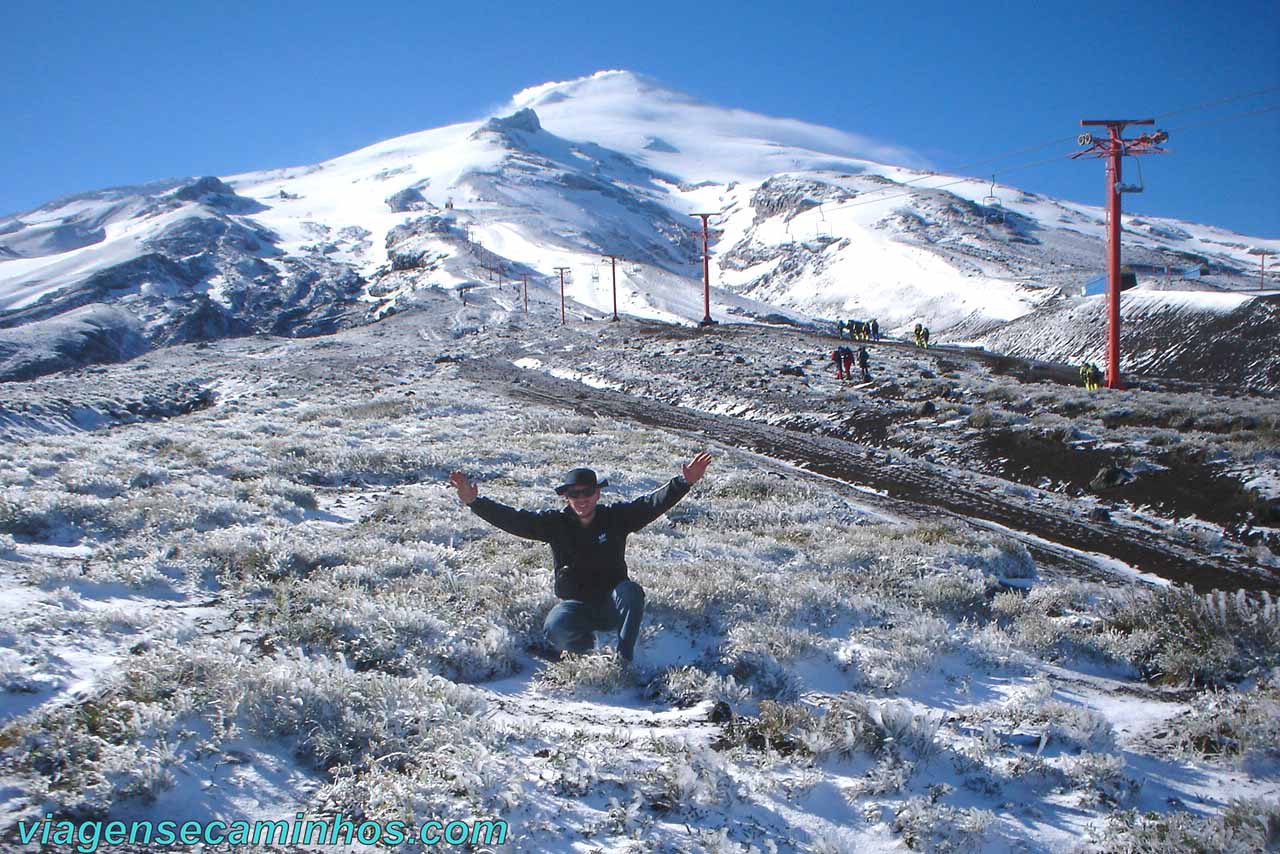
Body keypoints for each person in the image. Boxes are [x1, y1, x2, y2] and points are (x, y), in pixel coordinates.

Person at [448, 453, 712, 663]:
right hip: (577, 606)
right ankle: (581, 652)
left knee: (632, 592)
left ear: (597, 493)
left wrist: (683, 482)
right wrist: (475, 503)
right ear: (566, 497)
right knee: (555, 626)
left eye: (587, 492)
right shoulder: (554, 524)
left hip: (613, 605)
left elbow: (651, 504)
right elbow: (514, 520)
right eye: (574, 494)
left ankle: (623, 659)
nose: (582, 498)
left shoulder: (616, 518)